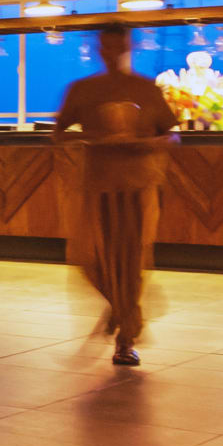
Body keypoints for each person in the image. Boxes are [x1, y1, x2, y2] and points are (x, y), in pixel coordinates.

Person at [53, 24, 181, 365]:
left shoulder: (145, 89)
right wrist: (94, 140)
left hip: (138, 187)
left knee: (130, 263)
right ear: (99, 49)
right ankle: (121, 310)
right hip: (96, 187)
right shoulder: (82, 90)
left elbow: (173, 134)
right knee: (92, 262)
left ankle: (125, 338)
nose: (112, 54)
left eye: (118, 47)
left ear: (128, 48)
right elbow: (58, 133)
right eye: (106, 47)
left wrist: (146, 144)